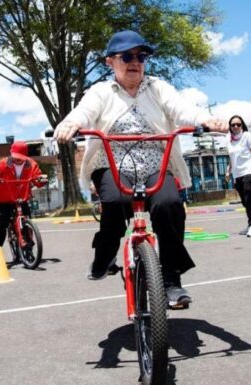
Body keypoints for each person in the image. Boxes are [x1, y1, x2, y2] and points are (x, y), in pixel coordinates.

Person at [53, 30, 227, 307]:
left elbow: (182, 109)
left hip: (156, 162)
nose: (135, 62)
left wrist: (206, 120)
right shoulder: (100, 92)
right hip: (111, 161)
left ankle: (171, 281)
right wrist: (70, 123)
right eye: (127, 56)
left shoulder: (158, 88)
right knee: (116, 201)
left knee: (170, 204)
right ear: (110, 61)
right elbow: (84, 112)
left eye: (141, 56)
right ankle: (105, 255)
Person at [0, 141, 46, 262]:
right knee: (1, 224)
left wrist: (41, 180)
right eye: (16, 157)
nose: (18, 160)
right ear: (11, 154)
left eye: (21, 157)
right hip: (4, 199)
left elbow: (37, 178)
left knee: (26, 224)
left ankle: (28, 249)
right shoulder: (4, 163)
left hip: (22, 198)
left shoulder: (31, 164)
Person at [224, 115, 251, 237]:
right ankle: (250, 224)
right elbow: (231, 158)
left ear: (242, 125)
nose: (235, 126)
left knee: (249, 200)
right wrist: (228, 171)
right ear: (230, 126)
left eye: (238, 124)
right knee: (245, 201)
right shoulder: (229, 140)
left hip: (248, 172)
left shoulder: (247, 136)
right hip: (237, 175)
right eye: (233, 124)